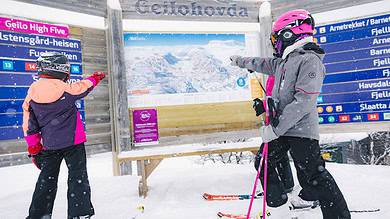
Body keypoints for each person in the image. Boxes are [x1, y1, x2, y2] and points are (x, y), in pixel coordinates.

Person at [231, 9, 350, 219]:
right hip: (284, 126)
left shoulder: (309, 61)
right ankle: (278, 200)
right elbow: (262, 63)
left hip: (302, 130)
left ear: (290, 34)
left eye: (277, 38)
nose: (275, 43)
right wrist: (241, 61)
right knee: (264, 160)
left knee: (314, 175)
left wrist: (275, 129)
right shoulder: (286, 61)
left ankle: (337, 215)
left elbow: (304, 102)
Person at [23, 52, 106, 219]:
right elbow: (83, 86)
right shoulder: (66, 89)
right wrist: (95, 78)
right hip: (73, 143)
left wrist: (34, 147)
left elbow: (29, 124)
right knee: (78, 177)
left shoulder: (32, 93)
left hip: (50, 146)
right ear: (61, 70)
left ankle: (38, 215)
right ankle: (79, 213)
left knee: (46, 181)